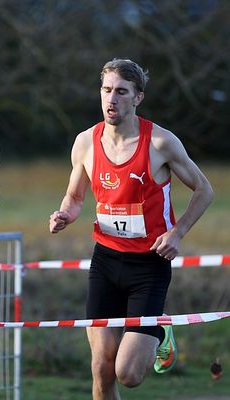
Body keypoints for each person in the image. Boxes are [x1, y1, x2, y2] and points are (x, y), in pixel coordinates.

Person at [49, 58, 213, 399]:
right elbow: (75, 196)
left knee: (128, 374)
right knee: (101, 367)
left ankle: (160, 328)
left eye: (121, 92)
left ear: (137, 97)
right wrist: (64, 214)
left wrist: (178, 232)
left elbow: (204, 190)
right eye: (106, 90)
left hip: (148, 265)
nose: (111, 99)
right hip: (105, 261)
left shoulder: (160, 143)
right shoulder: (85, 142)